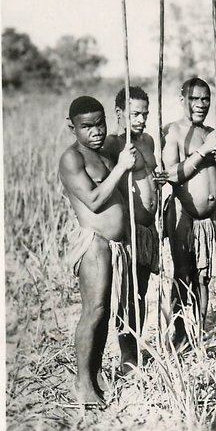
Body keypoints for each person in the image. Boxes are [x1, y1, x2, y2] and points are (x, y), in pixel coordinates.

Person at [59, 96, 135, 407]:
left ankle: (94, 374)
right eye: (86, 126)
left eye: (99, 123)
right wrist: (121, 168)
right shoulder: (72, 158)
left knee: (104, 314)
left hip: (113, 246)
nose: (95, 131)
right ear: (72, 127)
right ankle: (82, 384)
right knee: (93, 312)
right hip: (93, 244)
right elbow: (92, 200)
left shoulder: (104, 155)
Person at [102, 86, 167, 369]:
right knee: (127, 293)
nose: (141, 119)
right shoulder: (113, 145)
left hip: (149, 229)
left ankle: (136, 346)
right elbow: (104, 182)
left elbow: (150, 176)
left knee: (141, 291)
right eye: (135, 114)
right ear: (119, 113)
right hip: (130, 231)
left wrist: (159, 178)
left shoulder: (149, 140)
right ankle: (127, 356)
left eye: (145, 114)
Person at [162, 77, 216, 346]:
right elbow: (172, 175)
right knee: (183, 276)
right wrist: (204, 150)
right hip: (183, 215)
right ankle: (179, 333)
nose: (201, 104)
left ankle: (198, 333)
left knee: (203, 277)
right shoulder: (173, 131)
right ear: (182, 100)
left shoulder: (212, 132)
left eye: (205, 99)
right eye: (194, 99)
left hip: (207, 220)